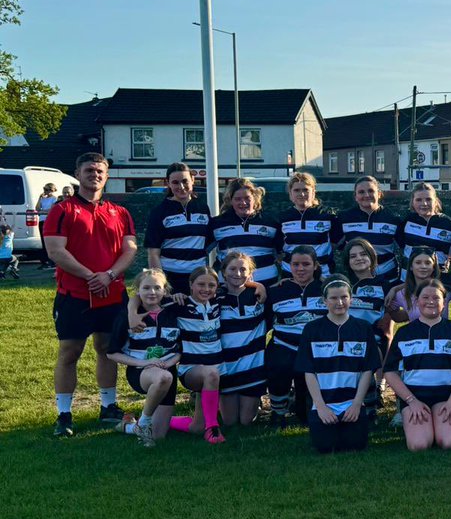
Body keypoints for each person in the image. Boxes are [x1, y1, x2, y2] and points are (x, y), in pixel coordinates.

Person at [44, 152, 137, 437]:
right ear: (78, 173)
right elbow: (56, 250)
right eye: (89, 170)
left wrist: (108, 275)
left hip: (112, 292)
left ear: (106, 176)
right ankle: (64, 414)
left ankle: (108, 407)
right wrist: (90, 276)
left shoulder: (119, 212)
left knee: (108, 350)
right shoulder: (63, 210)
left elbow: (130, 248)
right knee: (69, 352)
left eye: (100, 171)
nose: (94, 174)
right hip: (75, 294)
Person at [384, 279, 451, 451]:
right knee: (419, 445)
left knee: (449, 443)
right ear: (416, 301)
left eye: (436, 298)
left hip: (445, 398)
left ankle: (437, 421)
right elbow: (390, 371)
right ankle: (417, 422)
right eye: (425, 297)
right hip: (414, 398)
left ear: (444, 303)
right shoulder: (404, 333)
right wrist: (411, 401)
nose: (431, 302)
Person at [296, 275, 379, 454]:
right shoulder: (312, 329)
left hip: (352, 402)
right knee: (325, 447)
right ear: (324, 301)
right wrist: (321, 407)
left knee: (355, 444)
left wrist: (357, 404)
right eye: (333, 298)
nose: (339, 302)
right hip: (324, 403)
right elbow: (308, 372)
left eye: (344, 297)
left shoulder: (363, 328)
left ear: (351, 299)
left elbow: (367, 370)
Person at [107, 269, 180, 447]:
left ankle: (130, 426)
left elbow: (183, 347)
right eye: (146, 288)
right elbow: (111, 352)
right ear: (138, 290)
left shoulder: (175, 310)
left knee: (159, 436)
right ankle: (145, 421)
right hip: (140, 371)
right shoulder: (128, 315)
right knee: (164, 377)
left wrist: (169, 362)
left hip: (167, 368)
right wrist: (145, 363)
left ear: (165, 290)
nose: (152, 292)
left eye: (157, 287)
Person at [161, 267, 226, 444]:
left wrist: (258, 285)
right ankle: (212, 429)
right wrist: (132, 310)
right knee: (211, 374)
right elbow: (144, 297)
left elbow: (240, 285)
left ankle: (162, 420)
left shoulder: (218, 301)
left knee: (196, 427)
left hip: (218, 368)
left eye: (211, 285)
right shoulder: (179, 304)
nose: (206, 289)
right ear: (190, 285)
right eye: (201, 284)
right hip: (192, 370)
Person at [265, 245, 327, 429]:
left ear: (315, 265)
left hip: (316, 349)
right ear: (288, 265)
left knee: (305, 416)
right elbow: (267, 322)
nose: (300, 269)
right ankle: (278, 412)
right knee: (279, 365)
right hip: (284, 345)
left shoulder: (325, 288)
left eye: (306, 264)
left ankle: (300, 402)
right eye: (295, 264)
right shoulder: (276, 290)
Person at [216, 251, 268, 426]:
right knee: (230, 422)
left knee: (246, 422)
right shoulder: (214, 297)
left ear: (250, 273)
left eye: (242, 269)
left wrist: (258, 285)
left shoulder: (260, 295)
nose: (237, 274)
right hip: (226, 368)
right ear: (223, 272)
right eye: (232, 269)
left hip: (253, 367)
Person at [144, 162, 213, 295]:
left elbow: (208, 243)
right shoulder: (159, 212)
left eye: (185, 181)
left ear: (193, 180)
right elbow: (153, 253)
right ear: (168, 183)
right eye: (175, 182)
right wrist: (162, 284)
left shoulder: (203, 208)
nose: (181, 186)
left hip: (198, 277)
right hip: (171, 278)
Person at [345, 239, 393, 423]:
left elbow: (402, 305)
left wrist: (396, 289)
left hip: (373, 340)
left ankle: (370, 405)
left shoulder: (384, 285)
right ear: (347, 261)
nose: (359, 259)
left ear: (372, 257)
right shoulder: (341, 282)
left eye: (363, 254)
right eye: (353, 256)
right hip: (344, 339)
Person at [210, 177, 281, 284]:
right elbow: (201, 253)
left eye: (247, 198)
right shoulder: (217, 223)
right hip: (229, 287)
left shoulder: (271, 222)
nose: (243, 203)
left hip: (267, 285)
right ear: (230, 200)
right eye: (238, 199)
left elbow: (281, 254)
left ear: (255, 198)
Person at [338, 175, 403, 280]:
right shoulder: (344, 218)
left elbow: (402, 249)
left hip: (387, 277)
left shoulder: (393, 219)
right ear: (355, 196)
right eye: (361, 192)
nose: (367, 195)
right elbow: (337, 246)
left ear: (379, 194)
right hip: (356, 278)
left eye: (371, 191)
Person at [279, 172, 342, 278]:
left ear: (313, 192)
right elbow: (278, 249)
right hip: (290, 275)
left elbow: (335, 243)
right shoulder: (282, 218)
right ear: (290, 193)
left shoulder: (327, 215)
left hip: (323, 274)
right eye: (297, 190)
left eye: (305, 190)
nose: (301, 194)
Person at [399, 182, 451, 279]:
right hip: (407, 283)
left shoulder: (450, 224)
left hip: (436, 284)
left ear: (436, 201)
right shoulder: (407, 221)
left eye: (428, 199)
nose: (424, 204)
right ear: (412, 202)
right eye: (419, 200)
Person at [384, 246, 443, 324]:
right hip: (417, 335)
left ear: (433, 267)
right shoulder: (403, 293)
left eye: (428, 263)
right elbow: (396, 316)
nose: (423, 266)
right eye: (418, 263)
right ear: (411, 266)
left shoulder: (444, 290)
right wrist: (410, 314)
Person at [36, 182, 58, 268]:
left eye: (49, 190)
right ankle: (44, 260)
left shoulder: (54, 199)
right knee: (43, 241)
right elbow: (37, 208)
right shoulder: (43, 199)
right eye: (45, 189)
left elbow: (51, 209)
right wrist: (39, 198)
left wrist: (42, 211)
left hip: (49, 220)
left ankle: (51, 260)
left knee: (49, 241)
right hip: (41, 220)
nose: (47, 192)